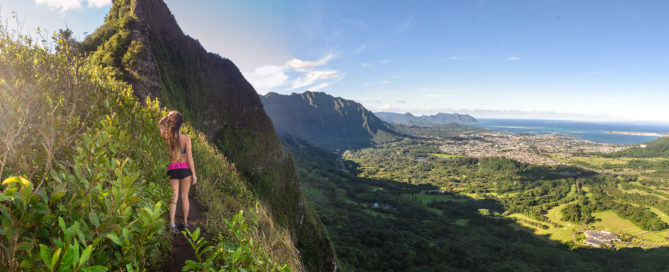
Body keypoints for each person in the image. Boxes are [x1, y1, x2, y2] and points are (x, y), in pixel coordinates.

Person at [159, 111, 198, 234]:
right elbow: (190, 158)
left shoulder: (166, 135)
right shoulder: (186, 138)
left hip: (173, 169)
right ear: (181, 124)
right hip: (185, 169)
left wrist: (166, 118)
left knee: (174, 198)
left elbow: (160, 123)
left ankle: (172, 225)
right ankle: (185, 223)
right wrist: (194, 174)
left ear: (171, 123)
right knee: (184, 196)